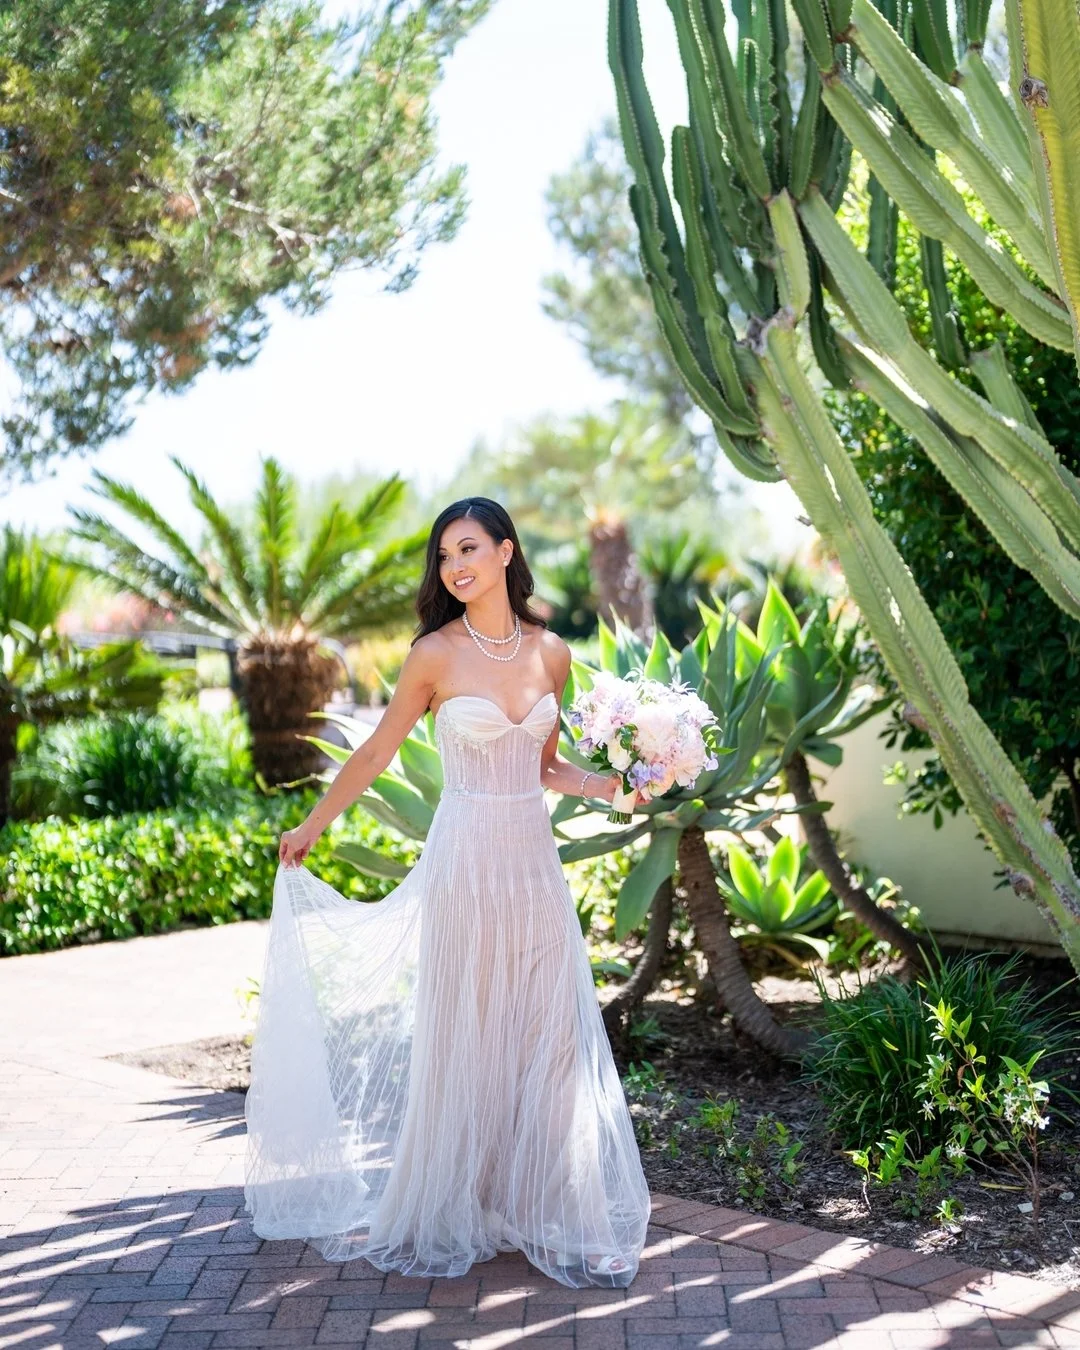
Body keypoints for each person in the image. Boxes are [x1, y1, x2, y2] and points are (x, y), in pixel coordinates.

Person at [242, 496, 651, 1290]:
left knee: (550, 1039)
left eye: (467, 549)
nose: (454, 566)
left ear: (505, 552)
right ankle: (458, 1199)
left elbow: (546, 769)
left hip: (532, 863)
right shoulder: (433, 653)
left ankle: (553, 1207)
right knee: (467, 1029)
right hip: (464, 861)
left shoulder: (552, 653)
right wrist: (314, 826)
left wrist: (619, 786)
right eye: (443, 557)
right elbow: (374, 753)